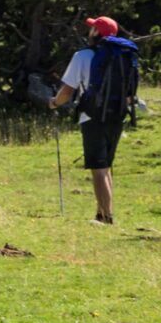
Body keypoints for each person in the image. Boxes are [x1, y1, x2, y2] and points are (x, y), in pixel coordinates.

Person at [48, 15, 139, 225]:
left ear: (96, 34)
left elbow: (67, 92)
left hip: (92, 116)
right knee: (106, 166)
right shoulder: (123, 57)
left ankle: (106, 217)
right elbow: (130, 93)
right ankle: (102, 213)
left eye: (92, 29)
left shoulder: (82, 56)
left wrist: (54, 103)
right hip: (117, 114)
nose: (89, 32)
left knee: (98, 169)